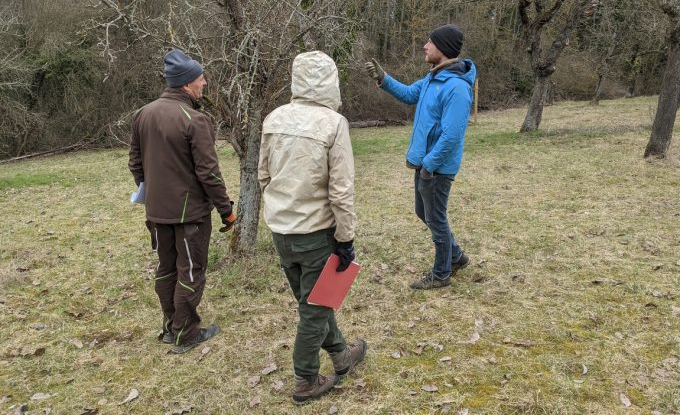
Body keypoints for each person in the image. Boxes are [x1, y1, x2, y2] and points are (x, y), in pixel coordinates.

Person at [258, 51, 367, 404]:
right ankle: (305, 380)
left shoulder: (274, 118)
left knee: (315, 303)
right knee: (314, 309)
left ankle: (341, 354)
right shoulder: (333, 123)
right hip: (317, 234)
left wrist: (281, 210)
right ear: (332, 82)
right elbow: (342, 190)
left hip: (281, 232)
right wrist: (346, 237)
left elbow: (263, 176)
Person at [128, 49, 236, 354]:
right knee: (190, 271)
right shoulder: (195, 119)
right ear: (187, 83)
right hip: (190, 216)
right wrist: (226, 211)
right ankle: (185, 335)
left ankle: (171, 327)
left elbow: (135, 164)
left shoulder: (142, 114)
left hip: (157, 212)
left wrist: (152, 192)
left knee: (167, 268)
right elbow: (209, 174)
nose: (204, 83)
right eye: (201, 79)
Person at [365, 24, 476, 290]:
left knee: (436, 218)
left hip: (437, 167)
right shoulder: (432, 79)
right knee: (423, 211)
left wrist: (429, 165)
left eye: (430, 42)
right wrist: (383, 78)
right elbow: (408, 94)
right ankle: (456, 256)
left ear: (444, 48)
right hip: (426, 164)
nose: (425, 46)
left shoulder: (457, 88)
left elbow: (452, 136)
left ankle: (441, 274)